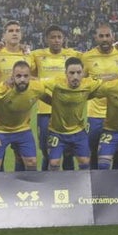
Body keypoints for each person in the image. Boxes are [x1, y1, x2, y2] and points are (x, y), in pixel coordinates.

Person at [30, 25, 81, 170]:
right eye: (53, 37)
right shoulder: (36, 55)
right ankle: (47, 180)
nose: (56, 40)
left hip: (67, 110)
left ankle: (69, 179)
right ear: (46, 39)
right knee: (46, 150)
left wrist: (117, 47)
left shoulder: (73, 54)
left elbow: (92, 58)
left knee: (68, 151)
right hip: (45, 110)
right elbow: (24, 68)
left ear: (64, 39)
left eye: (59, 37)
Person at [0, 20, 34, 171]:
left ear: (21, 34)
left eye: (17, 30)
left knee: (21, 157)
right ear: (4, 35)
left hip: (21, 117)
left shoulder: (29, 56)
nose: (14, 33)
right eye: (11, 31)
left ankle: (17, 183)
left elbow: (36, 78)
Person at [80, 23, 118, 167]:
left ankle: (116, 180)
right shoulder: (87, 57)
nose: (104, 39)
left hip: (117, 112)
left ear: (113, 37)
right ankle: (94, 180)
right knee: (93, 150)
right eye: (101, 36)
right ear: (96, 38)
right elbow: (82, 82)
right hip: (95, 114)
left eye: (107, 36)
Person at [40, 56, 100, 171]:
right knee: (54, 163)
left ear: (83, 73)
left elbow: (106, 84)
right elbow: (36, 85)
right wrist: (50, 100)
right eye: (71, 73)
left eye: (79, 73)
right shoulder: (56, 83)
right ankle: (53, 182)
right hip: (57, 132)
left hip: (78, 131)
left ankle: (83, 182)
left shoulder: (88, 84)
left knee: (85, 161)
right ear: (66, 73)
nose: (75, 76)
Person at [0, 61, 43, 172]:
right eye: (18, 76)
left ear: (30, 77)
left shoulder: (37, 87)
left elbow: (46, 96)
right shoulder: (0, 90)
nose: (22, 79)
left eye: (26, 76)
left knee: (32, 162)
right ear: (12, 76)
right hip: (0, 130)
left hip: (23, 129)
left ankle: (23, 182)